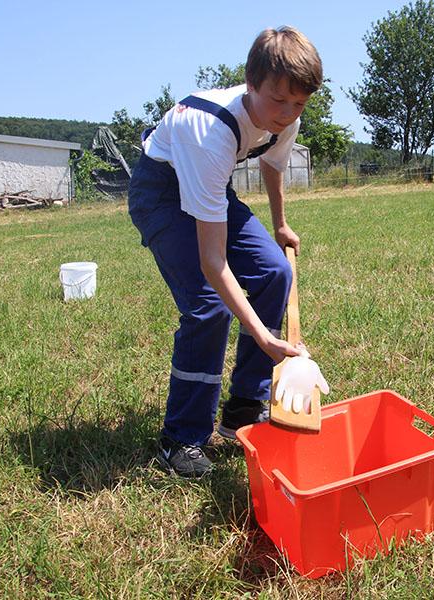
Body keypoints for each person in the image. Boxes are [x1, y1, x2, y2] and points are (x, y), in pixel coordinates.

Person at [127, 26, 323, 477]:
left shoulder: (286, 115)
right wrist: (265, 337)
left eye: (299, 103)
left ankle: (242, 409)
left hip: (209, 187)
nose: (289, 113)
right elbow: (212, 264)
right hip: (160, 192)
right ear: (251, 84)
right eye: (279, 100)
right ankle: (181, 440)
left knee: (275, 272)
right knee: (207, 306)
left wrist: (280, 224)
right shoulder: (211, 132)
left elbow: (273, 165)